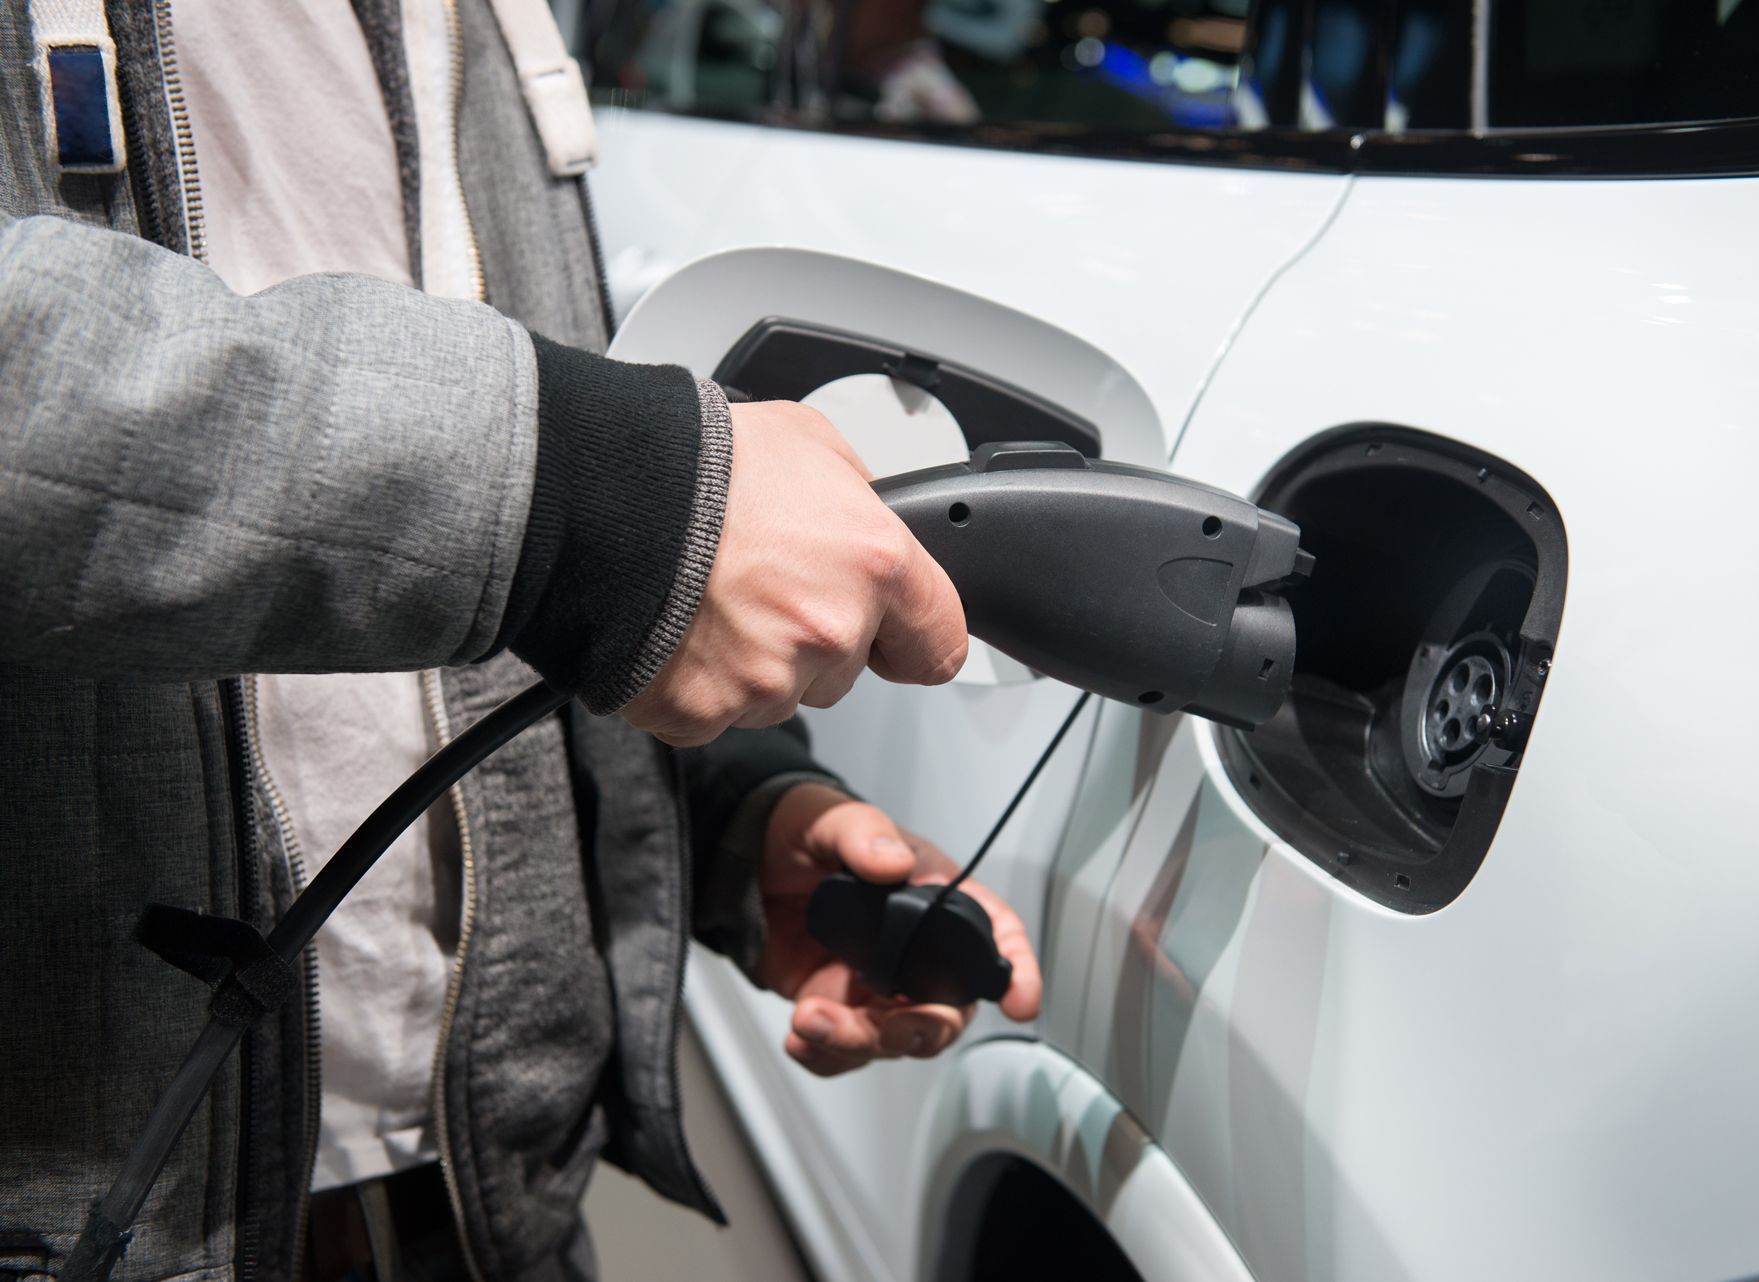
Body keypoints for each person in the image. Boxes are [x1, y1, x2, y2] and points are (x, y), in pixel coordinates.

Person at [0, 0, 1040, 1277]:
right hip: (100, 1217)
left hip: (487, 1187)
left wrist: (727, 813)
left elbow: (487, 574)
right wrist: (595, 504)